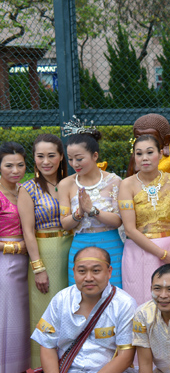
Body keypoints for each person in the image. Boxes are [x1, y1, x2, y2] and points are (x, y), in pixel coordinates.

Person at [30, 246, 137, 373]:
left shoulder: (124, 303)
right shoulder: (61, 299)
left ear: (109, 272)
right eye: (82, 271)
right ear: (74, 273)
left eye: (96, 270)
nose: (89, 277)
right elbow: (47, 345)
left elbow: (125, 357)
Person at [19, 134, 72, 370]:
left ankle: (71, 363)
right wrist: (38, 268)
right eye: (40, 156)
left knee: (71, 309)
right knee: (45, 310)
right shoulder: (28, 189)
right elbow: (28, 232)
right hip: (45, 253)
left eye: (51, 155)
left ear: (61, 157)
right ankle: (43, 368)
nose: (46, 161)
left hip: (72, 251)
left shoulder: (71, 183)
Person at [119, 135, 170, 307]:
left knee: (169, 301)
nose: (145, 158)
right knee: (140, 301)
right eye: (139, 154)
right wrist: (162, 254)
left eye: (150, 152)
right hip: (138, 249)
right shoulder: (126, 185)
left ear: (161, 153)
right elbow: (129, 230)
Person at [58, 122, 124, 287]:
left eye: (79, 158)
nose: (75, 164)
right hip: (81, 245)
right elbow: (65, 223)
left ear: (95, 156)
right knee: (81, 295)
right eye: (71, 159)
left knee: (113, 294)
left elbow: (118, 220)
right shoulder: (66, 184)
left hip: (110, 245)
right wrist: (79, 212)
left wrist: (92, 210)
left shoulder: (114, 181)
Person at [0, 141, 31, 373]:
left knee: (22, 319)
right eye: (9, 165)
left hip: (25, 264)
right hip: (5, 264)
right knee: (8, 320)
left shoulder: (23, 190)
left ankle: (21, 370)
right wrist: (13, 246)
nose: (16, 170)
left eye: (20, 164)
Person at [132, 113, 170, 180]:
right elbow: (130, 181)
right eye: (139, 138)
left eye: (152, 138)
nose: (145, 142)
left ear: (166, 140)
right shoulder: (138, 154)